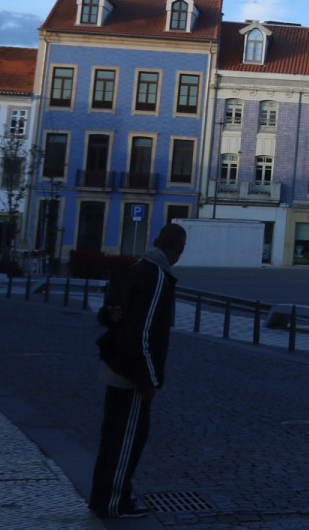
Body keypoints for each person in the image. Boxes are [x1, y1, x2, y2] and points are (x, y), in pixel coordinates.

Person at [89, 222, 186, 520]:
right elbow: (143, 331)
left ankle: (101, 496)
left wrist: (108, 315)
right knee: (129, 437)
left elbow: (110, 312)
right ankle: (116, 501)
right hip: (131, 373)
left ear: (156, 241)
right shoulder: (156, 278)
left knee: (111, 435)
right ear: (178, 250)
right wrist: (148, 379)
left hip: (114, 364)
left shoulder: (132, 269)